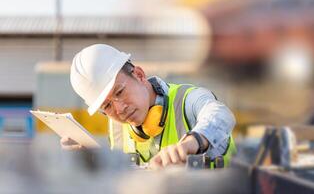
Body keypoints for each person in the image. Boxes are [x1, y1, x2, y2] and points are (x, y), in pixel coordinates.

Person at [61, 44, 236, 169]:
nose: (119, 110)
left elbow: (221, 115)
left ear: (139, 74)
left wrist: (189, 144)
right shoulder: (116, 129)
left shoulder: (187, 101)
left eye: (119, 92)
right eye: (107, 106)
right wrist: (94, 159)